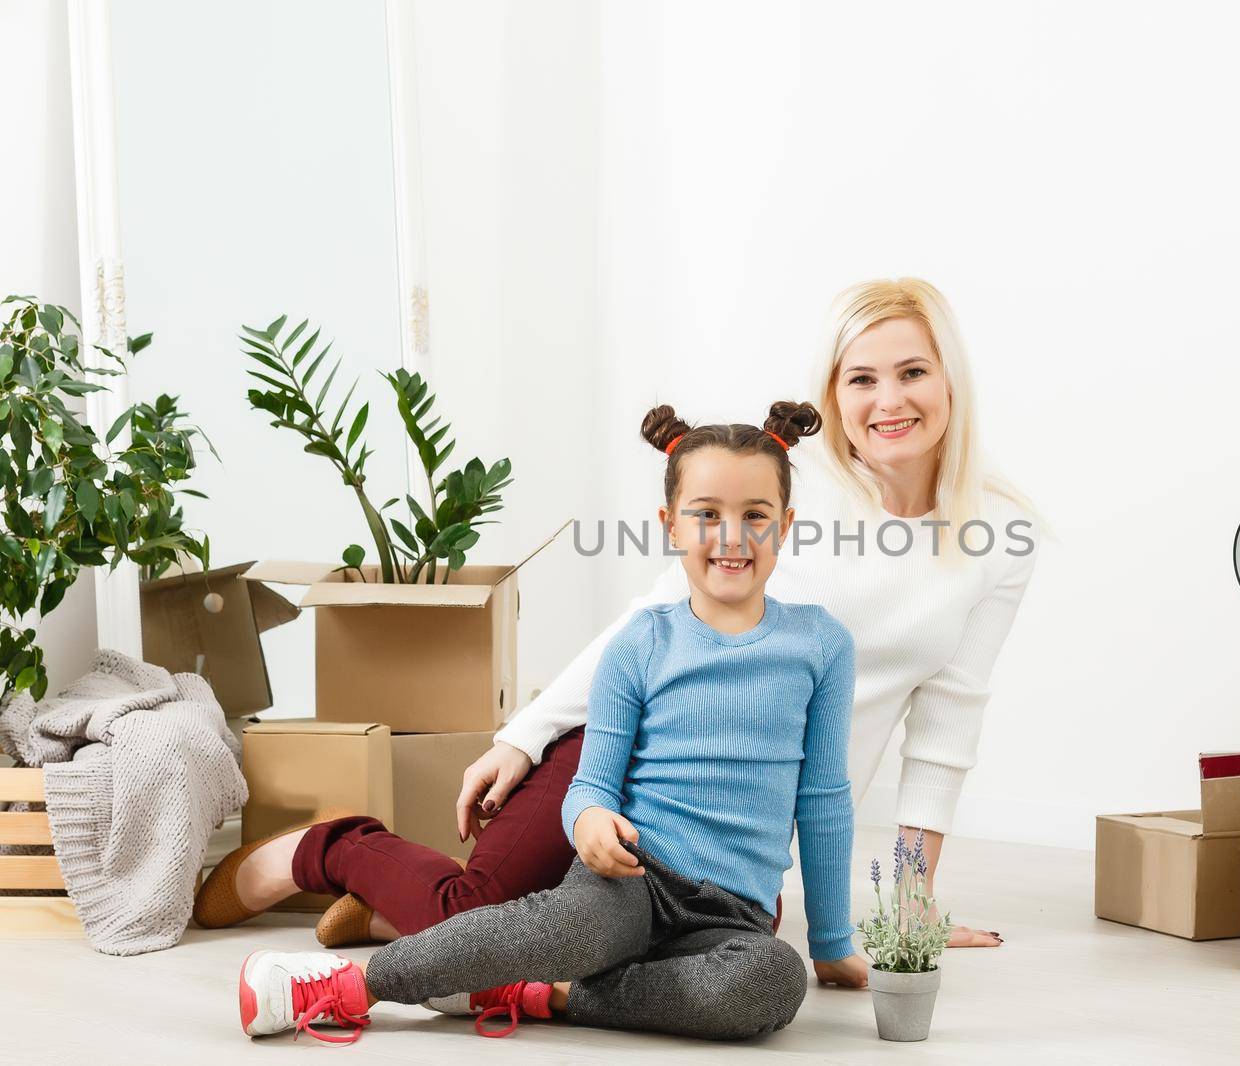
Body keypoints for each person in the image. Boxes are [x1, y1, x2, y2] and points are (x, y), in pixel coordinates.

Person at [198, 276, 1033, 958]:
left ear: (950, 379)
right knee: (476, 909)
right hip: (618, 753)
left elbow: (946, 727)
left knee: (689, 952)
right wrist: (523, 735)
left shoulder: (999, 536)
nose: (890, 400)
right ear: (833, 394)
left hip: (731, 824)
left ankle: (387, 917)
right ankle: (323, 851)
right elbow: (652, 617)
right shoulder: (787, 487)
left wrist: (908, 902)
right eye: (862, 378)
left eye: (913, 372)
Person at [235, 401, 866, 1043]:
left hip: (734, 914)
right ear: (670, 524)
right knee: (571, 927)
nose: (732, 536)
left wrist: (832, 940)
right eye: (707, 515)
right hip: (633, 877)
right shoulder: (640, 644)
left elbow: (823, 800)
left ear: (785, 526)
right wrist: (588, 819)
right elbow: (592, 782)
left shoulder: (821, 646)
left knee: (768, 983)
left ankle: (552, 993)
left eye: (754, 516)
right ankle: (348, 986)